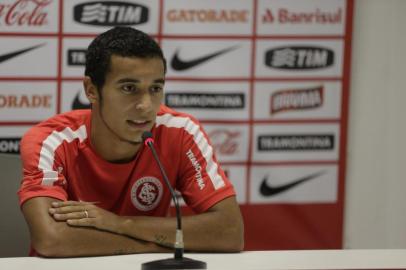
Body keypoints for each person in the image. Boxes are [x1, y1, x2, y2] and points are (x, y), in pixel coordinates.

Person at [18, 26, 244, 257]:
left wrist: (120, 223)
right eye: (129, 88)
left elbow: (230, 231)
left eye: (155, 88)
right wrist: (158, 245)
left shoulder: (181, 131)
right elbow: (52, 240)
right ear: (91, 90)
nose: (146, 106)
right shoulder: (50, 140)